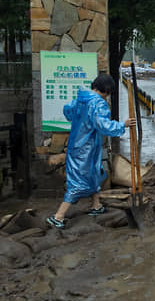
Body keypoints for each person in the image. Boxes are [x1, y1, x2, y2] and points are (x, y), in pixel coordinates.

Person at [47, 74, 135, 229]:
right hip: (86, 149)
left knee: (94, 173)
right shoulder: (98, 104)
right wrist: (123, 125)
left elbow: (67, 111)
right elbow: (103, 125)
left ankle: (96, 205)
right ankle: (58, 216)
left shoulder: (81, 99)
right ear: (107, 90)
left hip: (78, 145)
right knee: (78, 182)